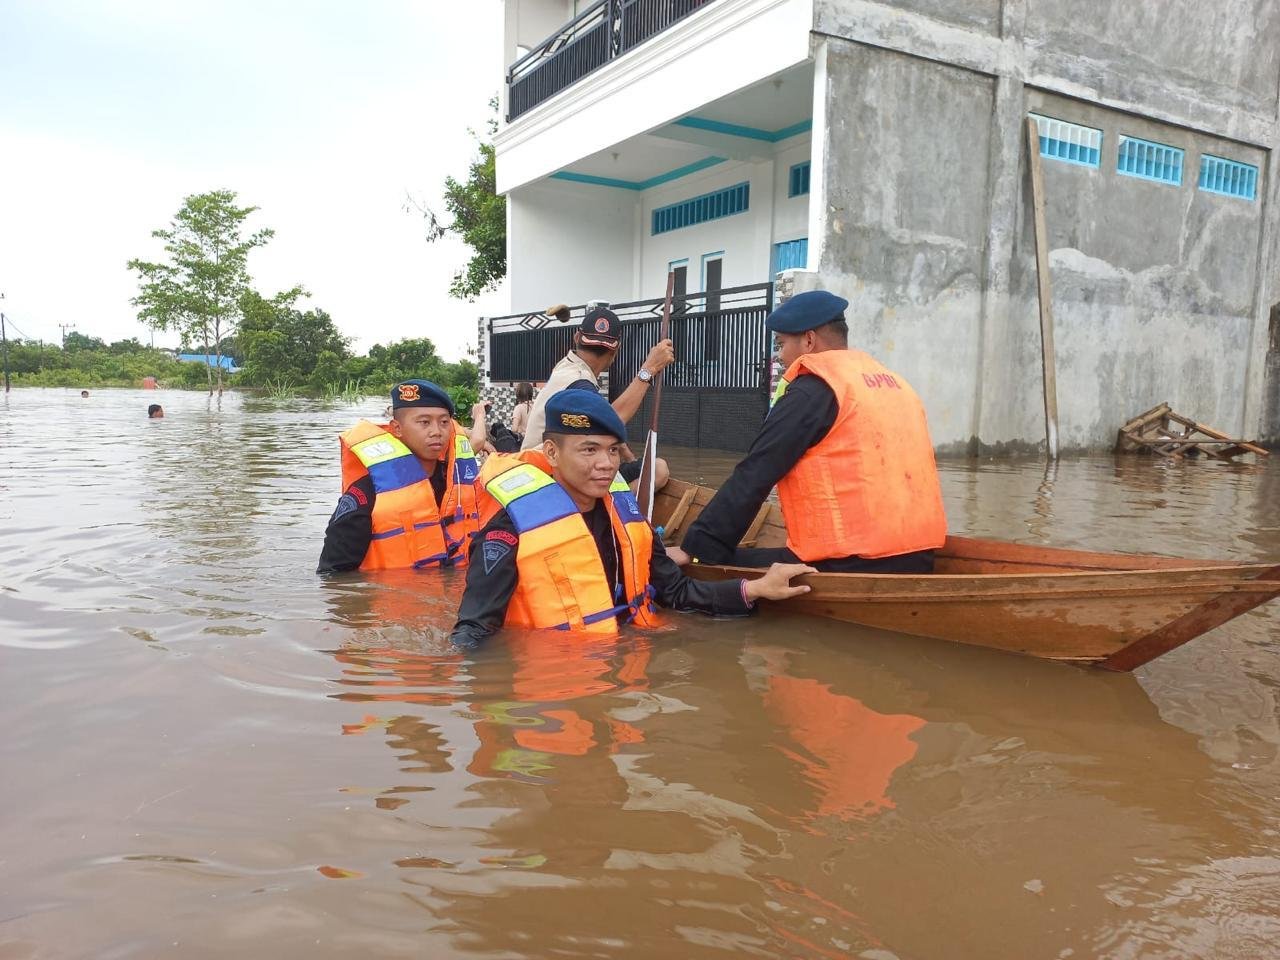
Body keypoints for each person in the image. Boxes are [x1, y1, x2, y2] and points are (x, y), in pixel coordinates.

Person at [449, 389, 814, 647]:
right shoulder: (507, 533)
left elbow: (677, 592)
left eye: (611, 450)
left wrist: (755, 588)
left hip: (622, 662)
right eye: (589, 450)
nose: (606, 464)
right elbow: (474, 632)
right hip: (550, 685)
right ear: (551, 453)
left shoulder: (629, 523)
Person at [672, 290, 947, 573]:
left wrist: (698, 548)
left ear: (809, 340)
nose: (779, 356)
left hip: (849, 563)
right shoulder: (897, 384)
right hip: (921, 557)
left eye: (780, 344)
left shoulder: (814, 389)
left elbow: (756, 472)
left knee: (707, 559)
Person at [318, 380, 486, 574]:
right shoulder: (366, 494)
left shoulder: (460, 484)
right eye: (424, 422)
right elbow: (333, 576)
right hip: (389, 601)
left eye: (444, 422)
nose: (436, 432)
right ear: (397, 429)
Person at [519, 305, 675, 487]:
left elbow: (603, 427)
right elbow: (611, 421)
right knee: (659, 469)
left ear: (577, 337)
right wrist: (649, 369)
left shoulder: (565, 366)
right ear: (616, 350)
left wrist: (629, 458)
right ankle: (615, 512)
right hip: (546, 475)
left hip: (537, 467)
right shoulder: (578, 382)